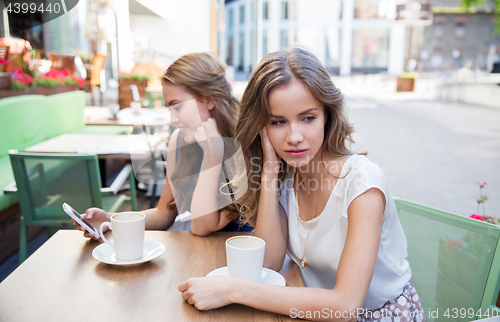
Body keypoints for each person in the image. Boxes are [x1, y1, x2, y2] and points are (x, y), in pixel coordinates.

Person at [178, 47, 425, 322]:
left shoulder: (362, 185)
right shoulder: (286, 177)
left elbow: (345, 307)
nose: (294, 137)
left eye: (308, 118)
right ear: (261, 127)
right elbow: (268, 263)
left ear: (327, 115)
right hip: (314, 311)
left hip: (378, 316)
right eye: (278, 122)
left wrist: (234, 289)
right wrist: (270, 176)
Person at [74, 52, 252, 237]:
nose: (172, 119)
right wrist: (110, 220)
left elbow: (201, 227)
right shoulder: (179, 141)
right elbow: (163, 214)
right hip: (197, 254)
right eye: (169, 108)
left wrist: (212, 155)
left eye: (178, 107)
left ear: (208, 100)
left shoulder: (245, 144)